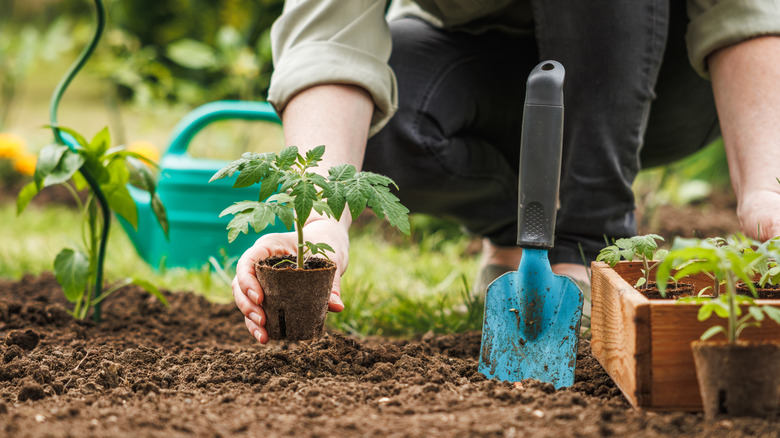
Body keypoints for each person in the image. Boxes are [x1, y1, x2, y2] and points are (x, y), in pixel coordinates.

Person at [232, 0, 780, 344]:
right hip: (483, 64)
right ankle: (523, 241)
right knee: (393, 123)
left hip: (664, 78)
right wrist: (326, 223)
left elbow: (747, 13)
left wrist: (765, 188)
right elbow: (329, 39)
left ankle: (586, 243)